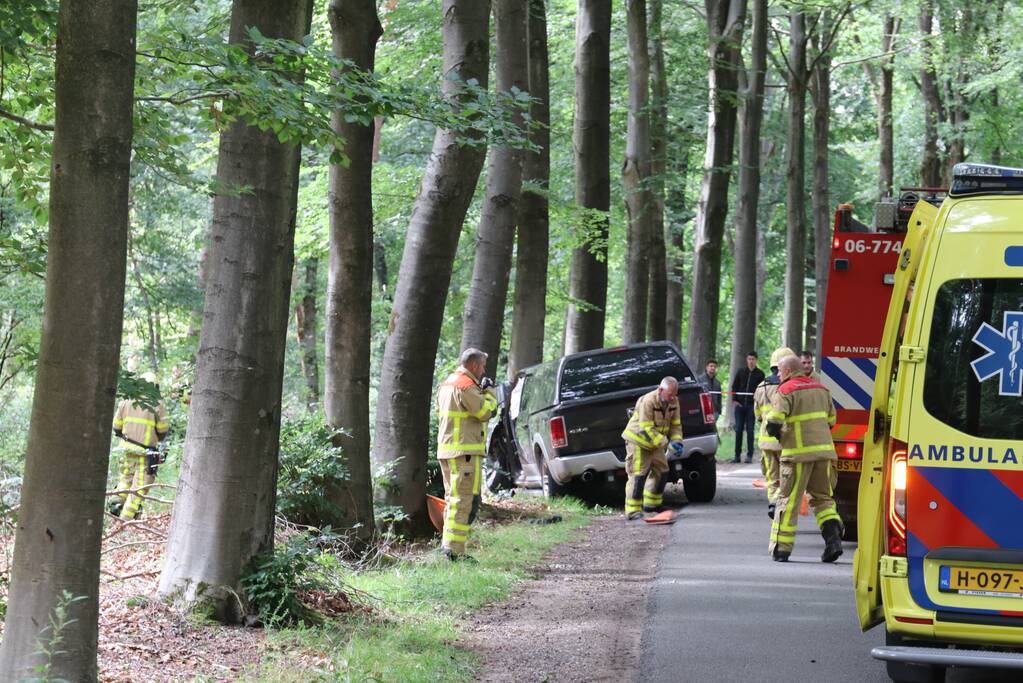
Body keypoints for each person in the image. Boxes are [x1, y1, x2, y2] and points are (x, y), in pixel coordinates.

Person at [765, 355, 843, 563]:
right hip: (825, 454)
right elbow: (832, 420)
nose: (778, 375)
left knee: (788, 500)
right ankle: (833, 541)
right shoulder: (822, 389)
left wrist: (783, 437)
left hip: (797, 456)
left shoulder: (786, 390)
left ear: (789, 371)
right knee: (823, 499)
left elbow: (773, 422)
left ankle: (781, 549)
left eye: (780, 371)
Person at [435, 348, 499, 561]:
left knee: (453, 498)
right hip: (464, 452)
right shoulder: (465, 386)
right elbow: (485, 412)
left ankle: (449, 547)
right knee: (463, 500)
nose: (483, 371)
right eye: (482, 366)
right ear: (473, 365)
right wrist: (490, 392)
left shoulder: (446, 384)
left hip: (449, 450)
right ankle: (454, 552)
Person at [621, 377, 684, 520]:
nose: (672, 398)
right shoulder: (647, 401)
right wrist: (667, 444)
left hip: (655, 442)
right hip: (638, 440)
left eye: (675, 394)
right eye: (670, 395)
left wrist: (677, 441)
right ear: (661, 390)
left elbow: (676, 425)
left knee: (662, 471)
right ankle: (632, 511)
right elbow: (646, 430)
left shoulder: (674, 402)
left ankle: (652, 505)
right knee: (638, 474)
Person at [110, 372, 169, 520]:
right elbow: (163, 430)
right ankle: (125, 521)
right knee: (139, 489)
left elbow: (116, 427)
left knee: (125, 480)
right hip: (145, 453)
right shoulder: (158, 404)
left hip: (126, 450)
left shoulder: (126, 400)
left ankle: (114, 507)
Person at [753, 348, 796, 520]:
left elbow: (757, 415)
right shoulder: (789, 387)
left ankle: (772, 502)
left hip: (766, 440)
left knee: (772, 475)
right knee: (787, 475)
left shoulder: (760, 387)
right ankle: (782, 505)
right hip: (785, 439)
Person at [730, 352, 765, 463]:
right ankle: (737, 456)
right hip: (740, 406)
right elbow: (734, 386)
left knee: (750, 430)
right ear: (746, 359)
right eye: (749, 359)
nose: (751, 361)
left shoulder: (760, 374)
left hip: (752, 406)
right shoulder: (741, 372)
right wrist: (735, 400)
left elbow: (762, 390)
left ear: (756, 360)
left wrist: (757, 402)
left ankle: (749, 455)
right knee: (739, 430)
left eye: (753, 359)